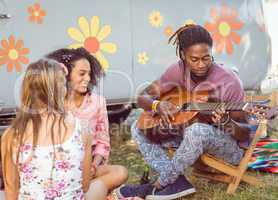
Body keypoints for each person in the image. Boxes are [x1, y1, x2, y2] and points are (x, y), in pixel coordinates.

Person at [117, 24, 252, 200]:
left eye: (206, 58)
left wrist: (225, 122)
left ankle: (159, 184)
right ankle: (177, 181)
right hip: (188, 138)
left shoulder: (229, 81)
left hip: (230, 150)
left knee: (196, 130)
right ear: (182, 55)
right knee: (137, 127)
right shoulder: (177, 70)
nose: (201, 65)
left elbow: (244, 134)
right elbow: (142, 97)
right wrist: (158, 105)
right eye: (194, 59)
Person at [1, 58, 92, 199]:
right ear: (60, 90)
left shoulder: (11, 135)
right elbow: (85, 185)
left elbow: (11, 189)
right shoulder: (82, 129)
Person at [46, 48, 128, 198]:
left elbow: (103, 142)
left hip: (89, 166)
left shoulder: (97, 102)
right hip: (59, 166)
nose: (88, 78)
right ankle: (89, 192)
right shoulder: (53, 104)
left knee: (120, 172)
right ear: (64, 74)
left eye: (89, 74)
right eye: (82, 73)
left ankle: (83, 191)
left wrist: (94, 166)